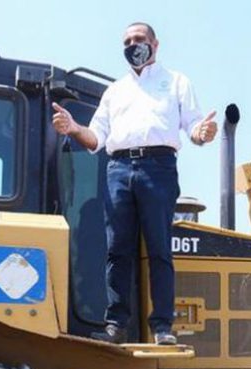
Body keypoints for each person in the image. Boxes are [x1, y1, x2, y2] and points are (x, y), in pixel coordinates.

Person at [52, 21, 217, 345]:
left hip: (159, 167)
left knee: (159, 248)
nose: (132, 45)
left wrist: (202, 132)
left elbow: (194, 126)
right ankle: (116, 324)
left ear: (155, 44)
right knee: (117, 249)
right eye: (127, 41)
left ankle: (162, 327)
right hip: (118, 168)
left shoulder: (176, 82)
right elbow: (95, 137)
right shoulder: (115, 91)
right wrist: (73, 127)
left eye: (139, 39)